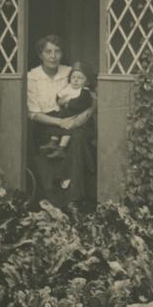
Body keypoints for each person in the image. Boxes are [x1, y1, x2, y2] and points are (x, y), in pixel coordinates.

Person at [27, 36, 96, 206]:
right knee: (66, 141)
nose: (53, 56)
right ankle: (61, 196)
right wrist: (60, 123)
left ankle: (74, 197)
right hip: (47, 124)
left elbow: (93, 94)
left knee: (79, 137)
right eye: (48, 52)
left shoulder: (69, 72)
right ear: (40, 55)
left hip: (74, 119)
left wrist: (87, 113)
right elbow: (34, 114)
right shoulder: (32, 77)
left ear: (62, 54)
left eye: (57, 51)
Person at [40, 61, 94, 163]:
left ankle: (61, 148)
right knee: (58, 118)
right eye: (73, 77)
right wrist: (62, 101)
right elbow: (59, 98)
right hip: (67, 113)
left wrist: (68, 102)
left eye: (80, 78)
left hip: (78, 118)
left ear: (86, 82)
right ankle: (53, 141)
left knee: (68, 127)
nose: (76, 80)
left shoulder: (85, 91)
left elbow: (79, 104)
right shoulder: (69, 87)